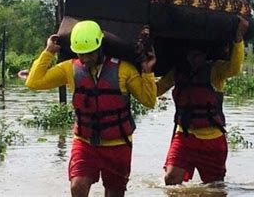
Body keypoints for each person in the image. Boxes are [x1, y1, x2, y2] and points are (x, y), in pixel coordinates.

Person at [26, 21, 157, 197]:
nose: (86, 59)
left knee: (114, 193)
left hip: (118, 145)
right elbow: (34, 82)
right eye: (81, 54)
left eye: (90, 54)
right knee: (77, 186)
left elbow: (149, 101)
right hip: (85, 143)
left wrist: (147, 72)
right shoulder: (69, 69)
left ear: (100, 47)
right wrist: (48, 52)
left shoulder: (124, 70)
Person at [156, 15, 249, 185]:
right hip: (184, 136)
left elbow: (234, 69)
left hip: (212, 139)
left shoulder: (216, 70)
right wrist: (144, 70)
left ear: (205, 54)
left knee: (215, 187)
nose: (194, 57)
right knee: (171, 179)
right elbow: (155, 91)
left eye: (198, 54)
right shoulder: (177, 72)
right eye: (191, 53)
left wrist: (238, 38)